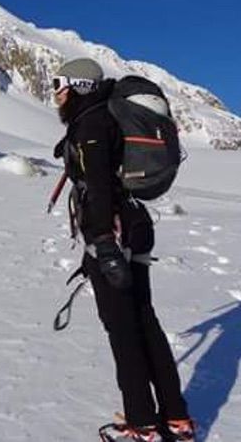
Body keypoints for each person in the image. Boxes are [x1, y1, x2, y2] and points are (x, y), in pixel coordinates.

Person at [52, 57, 195, 442]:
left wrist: (101, 242)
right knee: (143, 319)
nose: (56, 94)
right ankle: (176, 419)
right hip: (132, 226)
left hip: (114, 232)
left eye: (59, 84)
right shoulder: (104, 116)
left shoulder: (92, 124)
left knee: (123, 328)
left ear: (79, 85)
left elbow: (97, 184)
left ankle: (144, 425)